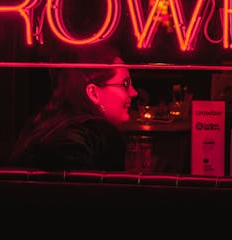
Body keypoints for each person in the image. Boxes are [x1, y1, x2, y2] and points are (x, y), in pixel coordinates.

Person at [9, 43, 137, 171]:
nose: (134, 92)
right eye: (125, 83)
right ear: (93, 93)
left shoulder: (44, 126)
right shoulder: (91, 135)